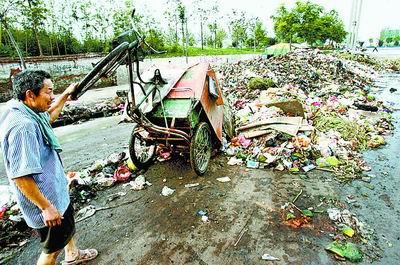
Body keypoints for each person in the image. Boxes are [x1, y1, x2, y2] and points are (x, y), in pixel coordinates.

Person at [0, 70, 98, 265]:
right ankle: (68, 253)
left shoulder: (22, 108)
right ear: (30, 94)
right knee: (52, 250)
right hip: (47, 200)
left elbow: (49, 116)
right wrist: (46, 207)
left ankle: (73, 254)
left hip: (55, 190)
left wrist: (65, 95)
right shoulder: (23, 126)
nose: (52, 96)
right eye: (48, 92)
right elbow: (20, 176)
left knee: (66, 228)